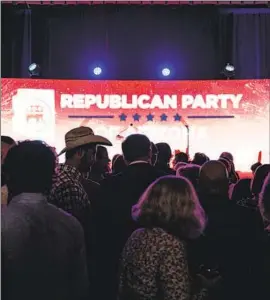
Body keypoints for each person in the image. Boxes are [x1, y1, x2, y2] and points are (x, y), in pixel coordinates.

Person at [1, 141, 89, 300]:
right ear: (51, 177)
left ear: (7, 175)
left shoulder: (4, 223)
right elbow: (79, 287)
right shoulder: (71, 225)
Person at [93, 134, 164, 300]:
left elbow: (101, 225)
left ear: (124, 156)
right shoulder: (164, 180)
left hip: (116, 255)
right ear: (150, 152)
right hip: (160, 258)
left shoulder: (110, 184)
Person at [118, 176, 207, 300]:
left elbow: (123, 285)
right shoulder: (170, 244)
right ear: (183, 205)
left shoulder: (137, 234)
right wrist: (205, 290)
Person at [193, 160, 264, 300]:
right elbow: (256, 262)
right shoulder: (249, 217)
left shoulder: (186, 216)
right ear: (227, 183)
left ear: (199, 183)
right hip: (237, 290)